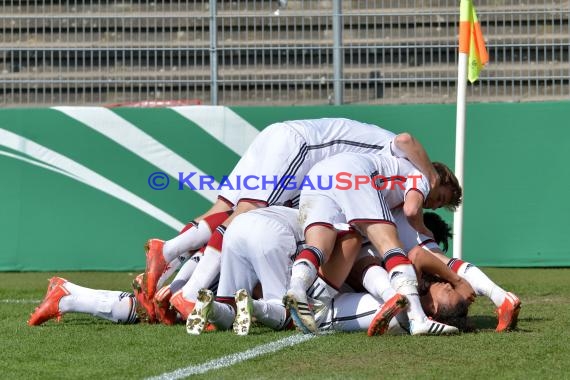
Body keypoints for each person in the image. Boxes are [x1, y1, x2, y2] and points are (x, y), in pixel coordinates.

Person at [143, 118, 442, 315]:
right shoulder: (413, 170)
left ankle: (168, 279)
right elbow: (405, 139)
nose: (433, 201)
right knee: (247, 213)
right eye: (439, 198)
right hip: (300, 146)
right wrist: (430, 178)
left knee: (222, 211)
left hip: (280, 136)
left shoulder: (388, 177)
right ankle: (188, 287)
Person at [284, 151, 466, 335]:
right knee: (390, 246)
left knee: (321, 247)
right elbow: (405, 139)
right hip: (356, 173)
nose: (434, 206)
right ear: (439, 179)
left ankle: (296, 288)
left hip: (320, 175)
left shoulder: (387, 156)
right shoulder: (424, 176)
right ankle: (416, 317)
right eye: (441, 198)